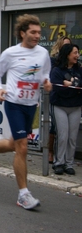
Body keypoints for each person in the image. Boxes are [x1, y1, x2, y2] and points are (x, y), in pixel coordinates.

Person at [0, 14, 52, 210]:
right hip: (13, 102)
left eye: (38, 33)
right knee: (22, 147)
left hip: (31, 105)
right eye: (33, 32)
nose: (37, 36)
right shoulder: (11, 53)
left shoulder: (43, 53)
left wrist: (46, 81)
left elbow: (45, 73)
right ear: (22, 33)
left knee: (14, 144)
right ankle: (23, 195)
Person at [50, 44, 81, 175]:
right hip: (60, 106)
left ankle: (69, 163)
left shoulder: (79, 69)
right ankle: (59, 162)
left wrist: (69, 83)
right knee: (62, 135)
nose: (77, 55)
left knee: (72, 137)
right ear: (67, 54)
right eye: (74, 53)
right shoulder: (57, 70)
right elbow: (57, 89)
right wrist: (71, 85)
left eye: (77, 53)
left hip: (75, 106)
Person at [47, 36, 72, 163]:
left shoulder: (73, 62)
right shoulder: (53, 60)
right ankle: (50, 152)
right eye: (65, 45)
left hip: (70, 100)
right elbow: (54, 77)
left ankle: (64, 158)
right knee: (54, 126)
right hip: (56, 98)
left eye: (69, 45)